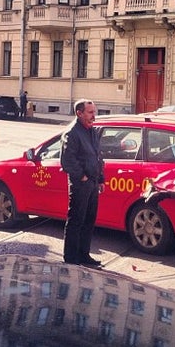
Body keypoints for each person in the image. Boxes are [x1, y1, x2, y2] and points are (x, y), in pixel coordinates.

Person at [60, 99, 105, 267]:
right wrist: (82, 177)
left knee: (89, 220)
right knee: (76, 220)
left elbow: (98, 156)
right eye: (90, 112)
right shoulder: (72, 133)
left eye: (94, 112)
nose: (94, 116)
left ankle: (84, 255)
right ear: (79, 113)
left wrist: (101, 179)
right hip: (80, 184)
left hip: (93, 182)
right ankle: (71, 258)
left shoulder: (92, 130)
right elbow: (67, 161)